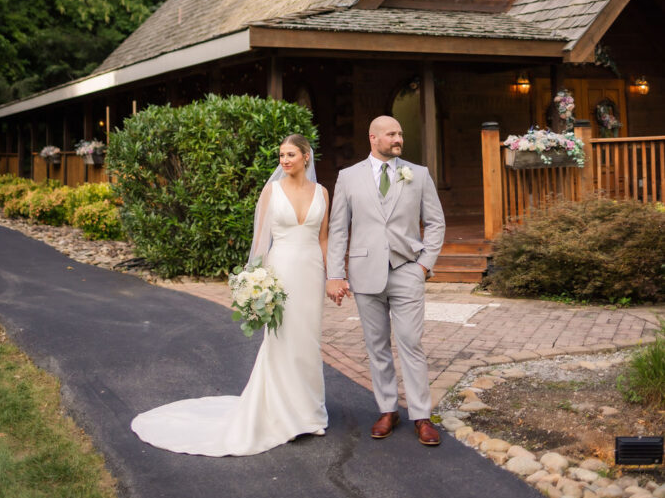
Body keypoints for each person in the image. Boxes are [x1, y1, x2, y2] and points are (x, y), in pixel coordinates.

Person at [131, 134, 329, 456]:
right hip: (280, 273)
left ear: (306, 156)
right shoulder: (271, 190)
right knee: (281, 342)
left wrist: (333, 275)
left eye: (291, 154)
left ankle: (311, 413)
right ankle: (286, 416)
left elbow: (323, 239)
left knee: (309, 342)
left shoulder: (322, 192)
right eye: (281, 155)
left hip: (311, 274)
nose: (284, 160)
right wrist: (255, 284)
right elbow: (261, 240)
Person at [326, 116, 445, 446]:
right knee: (376, 347)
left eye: (400, 134)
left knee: (411, 343)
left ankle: (421, 415)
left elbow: (435, 222)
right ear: (373, 138)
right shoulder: (348, 178)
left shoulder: (418, 174)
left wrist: (423, 266)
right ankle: (387, 410)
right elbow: (338, 229)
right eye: (392, 134)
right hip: (365, 274)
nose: (398, 139)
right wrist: (335, 274)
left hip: (407, 269)